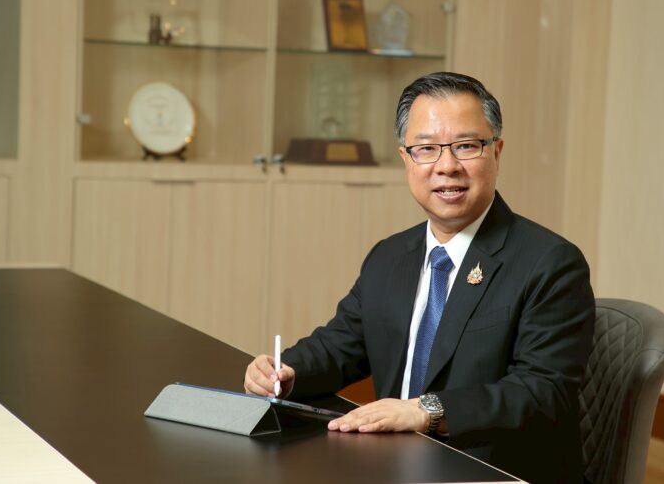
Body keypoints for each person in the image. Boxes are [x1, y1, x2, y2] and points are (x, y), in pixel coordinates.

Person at [244, 72, 595, 483]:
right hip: (396, 464)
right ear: (406, 160)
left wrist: (425, 411)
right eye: (426, 149)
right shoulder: (390, 256)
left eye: (466, 146)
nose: (447, 166)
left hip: (491, 470)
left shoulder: (550, 262)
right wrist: (286, 372)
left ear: (497, 152)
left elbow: (542, 391)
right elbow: (341, 344)